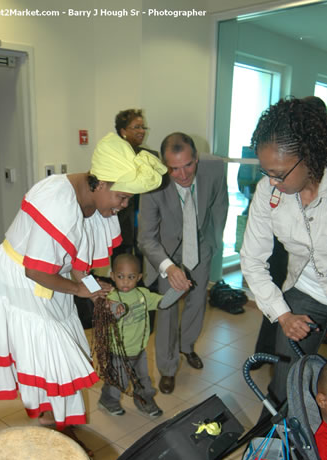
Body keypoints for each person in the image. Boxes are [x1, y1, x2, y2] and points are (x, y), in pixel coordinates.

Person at [0, 133, 167, 439]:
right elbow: (35, 270)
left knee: (55, 355)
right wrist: (81, 291)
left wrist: (95, 289)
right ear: (102, 183)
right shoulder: (57, 200)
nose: (124, 206)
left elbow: (80, 263)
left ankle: (54, 424)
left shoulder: (97, 203)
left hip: (49, 278)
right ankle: (54, 427)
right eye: (122, 197)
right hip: (20, 277)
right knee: (51, 354)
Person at [240, 97, 327, 414]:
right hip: (306, 290)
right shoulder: (268, 191)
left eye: (279, 173)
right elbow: (252, 259)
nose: (272, 182)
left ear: (310, 156)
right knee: (286, 384)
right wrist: (282, 314)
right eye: (266, 172)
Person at [138, 132, 229, 394]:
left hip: (200, 245)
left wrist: (212, 242)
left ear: (196, 158)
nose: (183, 174)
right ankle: (167, 368)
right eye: (174, 169)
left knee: (197, 301)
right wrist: (168, 267)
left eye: (188, 165)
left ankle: (186, 346)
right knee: (167, 310)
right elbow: (146, 238)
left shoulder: (214, 169)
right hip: (165, 251)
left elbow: (220, 204)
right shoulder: (153, 183)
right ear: (165, 166)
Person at [98, 253, 163, 418]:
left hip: (139, 349)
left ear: (139, 277)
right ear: (112, 275)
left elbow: (161, 302)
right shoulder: (111, 298)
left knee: (144, 380)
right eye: (120, 276)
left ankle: (145, 401)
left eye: (131, 277)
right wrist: (112, 310)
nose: (125, 281)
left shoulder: (143, 294)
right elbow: (106, 314)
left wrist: (178, 292)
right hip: (118, 352)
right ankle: (108, 400)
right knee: (118, 381)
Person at [113, 109, 159, 261]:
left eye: (143, 127)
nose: (141, 131)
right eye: (136, 127)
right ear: (123, 131)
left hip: (145, 218)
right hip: (119, 219)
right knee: (121, 262)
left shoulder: (152, 156)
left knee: (141, 259)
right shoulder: (113, 157)